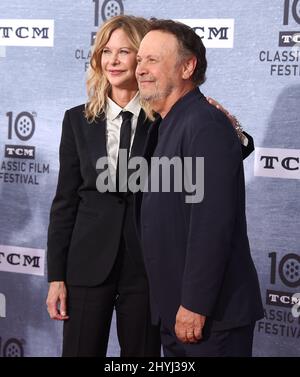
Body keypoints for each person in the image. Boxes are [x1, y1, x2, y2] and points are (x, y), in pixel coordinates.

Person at [46, 15, 254, 357]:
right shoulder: (78, 120)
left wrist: (233, 128)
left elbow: (215, 163)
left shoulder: (164, 115)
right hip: (88, 263)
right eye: (106, 51)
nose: (115, 60)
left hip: (146, 271)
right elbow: (65, 202)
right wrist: (57, 274)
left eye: (128, 52)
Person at [135, 19, 264, 357]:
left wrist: (194, 304)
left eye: (152, 60)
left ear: (187, 66)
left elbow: (211, 224)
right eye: (140, 60)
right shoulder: (168, 123)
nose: (140, 69)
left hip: (209, 319)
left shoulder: (203, 123)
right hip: (178, 314)